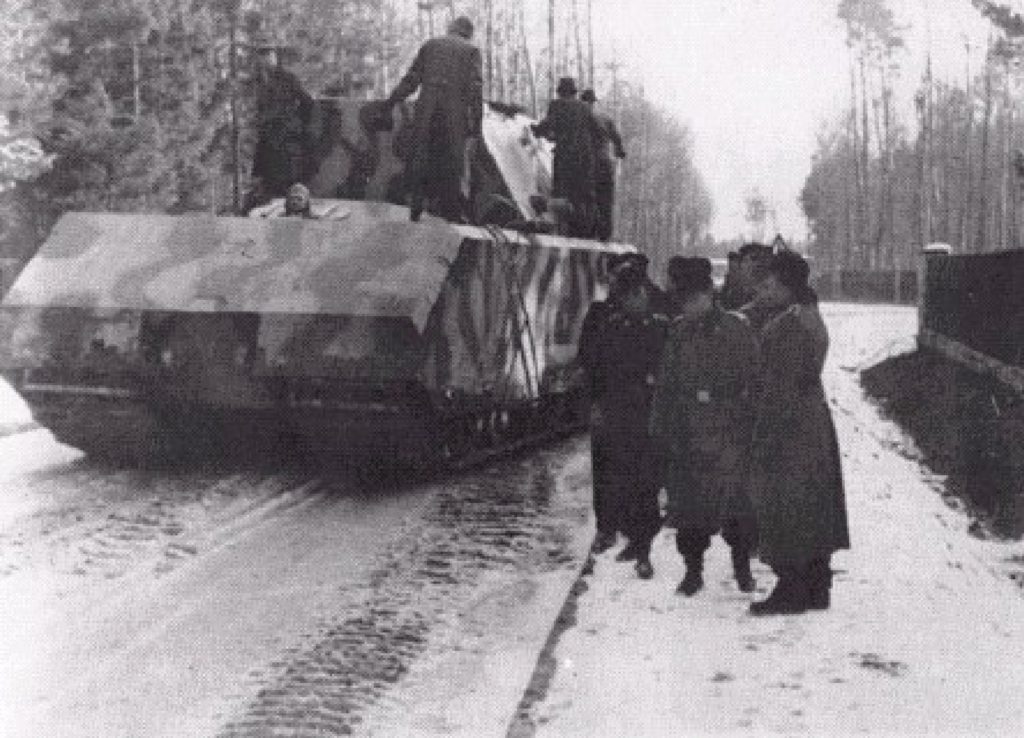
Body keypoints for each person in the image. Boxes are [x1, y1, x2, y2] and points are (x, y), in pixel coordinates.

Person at [746, 250, 850, 615]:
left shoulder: (789, 325)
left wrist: (764, 437)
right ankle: (817, 587)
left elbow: (779, 387)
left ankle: (791, 589)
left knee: (785, 502)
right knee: (814, 503)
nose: (765, 289)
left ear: (788, 284)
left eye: (771, 282)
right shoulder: (808, 314)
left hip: (789, 425)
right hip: (811, 421)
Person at [651, 258, 760, 596]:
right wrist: (660, 429)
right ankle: (692, 571)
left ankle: (742, 569)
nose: (690, 307)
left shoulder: (737, 329)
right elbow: (666, 385)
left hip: (729, 430)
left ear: (709, 295)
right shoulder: (679, 332)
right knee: (689, 509)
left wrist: (750, 427)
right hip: (689, 432)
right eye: (684, 301)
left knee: (737, 506)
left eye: (694, 299)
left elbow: (755, 380)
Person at [578, 253, 665, 577]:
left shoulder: (659, 326)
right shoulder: (608, 323)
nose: (636, 299)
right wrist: (596, 405)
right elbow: (594, 365)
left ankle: (642, 547)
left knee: (645, 483)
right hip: (618, 415)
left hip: (646, 416)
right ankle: (620, 533)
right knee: (619, 478)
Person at [385, 15, 483, 223]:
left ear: (451, 29)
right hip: (454, 117)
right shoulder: (471, 51)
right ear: (468, 33)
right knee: (452, 163)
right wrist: (477, 125)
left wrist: (392, 100)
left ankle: (416, 205)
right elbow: (475, 90)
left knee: (422, 157)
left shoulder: (430, 45)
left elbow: (412, 79)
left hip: (426, 113)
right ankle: (451, 213)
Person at [531, 77, 600, 238]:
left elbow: (549, 124)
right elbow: (595, 131)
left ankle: (551, 217)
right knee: (582, 197)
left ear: (561, 91)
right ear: (574, 92)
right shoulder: (585, 108)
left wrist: (537, 130)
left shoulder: (557, 105)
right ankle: (583, 231)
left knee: (561, 193)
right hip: (586, 160)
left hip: (566, 157)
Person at [250, 42, 314, 199]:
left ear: (275, 57)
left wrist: (296, 124)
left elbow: (307, 103)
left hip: (286, 139)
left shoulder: (287, 79)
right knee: (267, 184)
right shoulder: (258, 81)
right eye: (262, 56)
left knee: (288, 185)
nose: (265, 60)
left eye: (269, 55)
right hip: (267, 139)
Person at [580, 89, 625, 241]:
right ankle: (605, 234)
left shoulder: (581, 118)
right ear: (594, 102)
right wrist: (620, 152)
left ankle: (589, 231)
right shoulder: (606, 118)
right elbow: (617, 139)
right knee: (606, 199)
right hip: (606, 163)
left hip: (589, 165)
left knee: (588, 198)